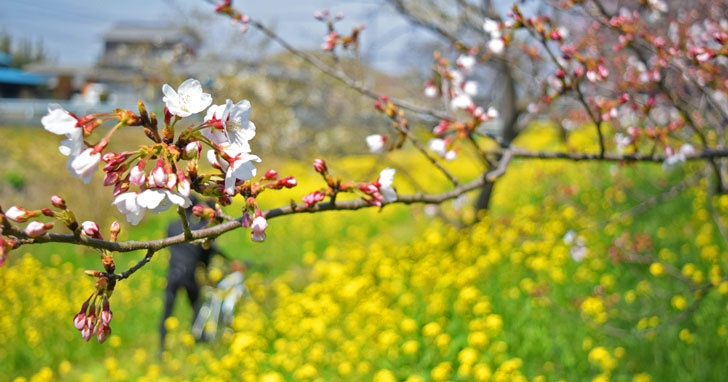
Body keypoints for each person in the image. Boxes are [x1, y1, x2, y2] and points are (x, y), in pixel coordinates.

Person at [159, 199, 225, 351]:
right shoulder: (200, 229)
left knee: (167, 312)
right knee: (196, 306)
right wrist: (206, 270)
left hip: (173, 274)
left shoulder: (172, 226)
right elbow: (207, 253)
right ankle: (197, 336)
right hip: (189, 275)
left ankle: (162, 346)